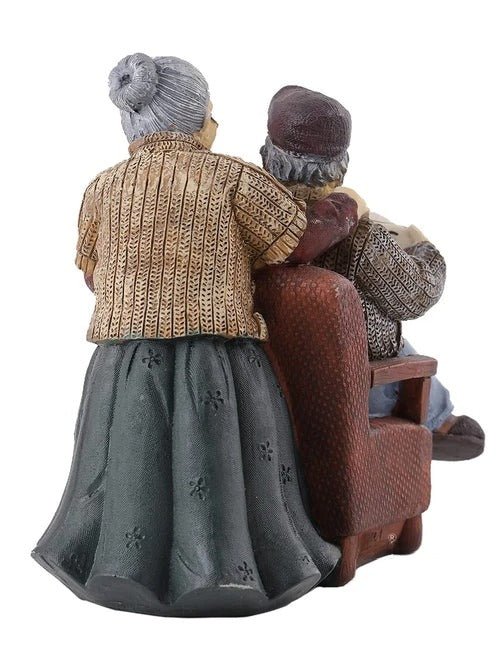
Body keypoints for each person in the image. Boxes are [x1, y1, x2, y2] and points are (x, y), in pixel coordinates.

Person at [32, 55, 360, 617]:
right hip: (216, 355)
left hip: (123, 360)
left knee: (127, 460)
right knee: (224, 460)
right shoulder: (233, 178)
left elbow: (91, 272)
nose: (215, 121)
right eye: (210, 112)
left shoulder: (103, 186)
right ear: (193, 119)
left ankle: (121, 566)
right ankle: (226, 568)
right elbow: (298, 240)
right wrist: (347, 209)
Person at [261, 85, 484, 461]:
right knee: (397, 348)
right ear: (342, 165)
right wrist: (421, 247)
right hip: (354, 393)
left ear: (266, 154)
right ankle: (437, 419)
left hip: (272, 383)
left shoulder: (251, 214)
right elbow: (417, 295)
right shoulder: (361, 237)